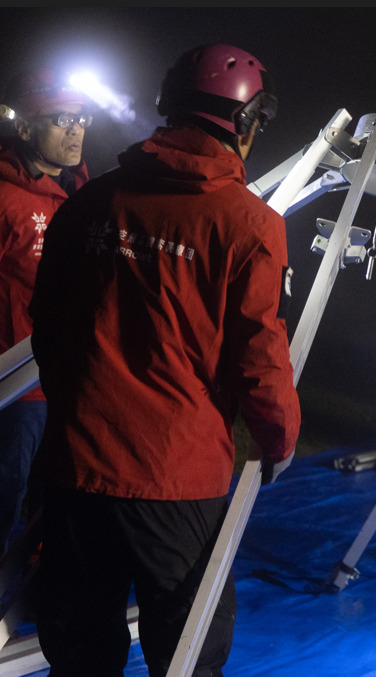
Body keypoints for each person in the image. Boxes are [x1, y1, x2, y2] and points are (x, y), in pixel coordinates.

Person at [28, 43, 301, 677]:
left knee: (78, 652)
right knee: (187, 656)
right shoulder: (249, 226)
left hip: (77, 472)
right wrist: (278, 439)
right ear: (245, 122)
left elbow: (48, 326)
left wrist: (78, 405)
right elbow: (260, 358)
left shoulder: (90, 205)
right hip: (177, 486)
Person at [0, 67, 90, 553]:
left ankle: (38, 598)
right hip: (16, 394)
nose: (75, 129)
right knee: (4, 495)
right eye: (61, 119)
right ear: (26, 128)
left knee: (58, 500)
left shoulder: (86, 194)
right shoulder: (5, 196)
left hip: (74, 382)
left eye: (81, 118)